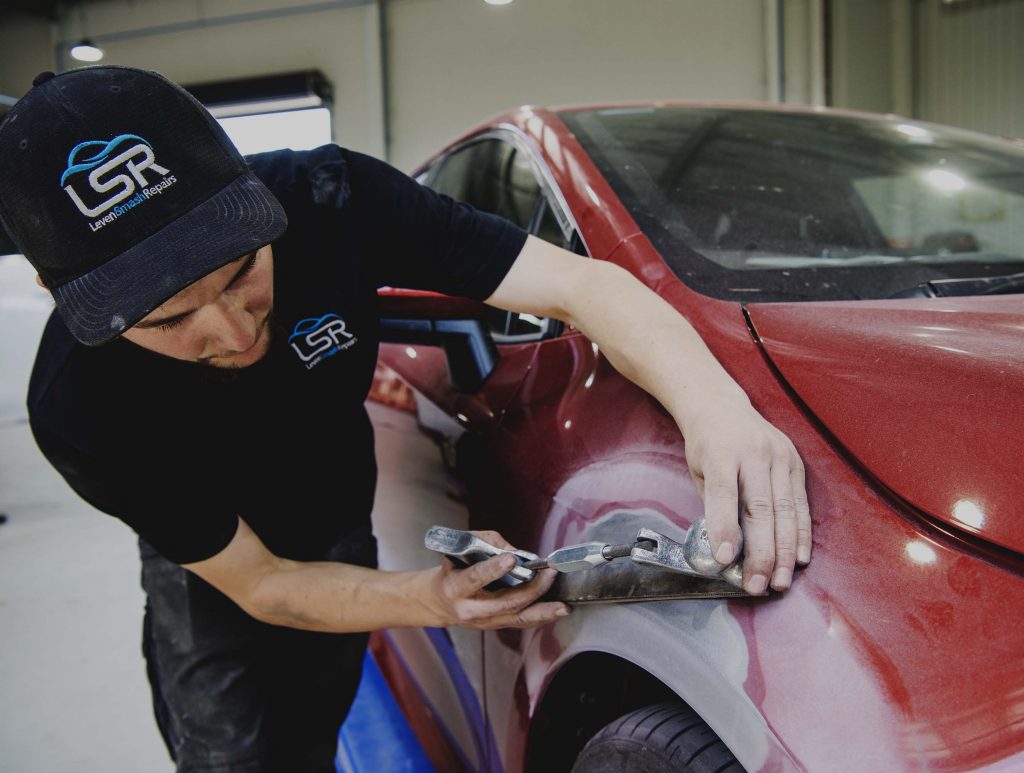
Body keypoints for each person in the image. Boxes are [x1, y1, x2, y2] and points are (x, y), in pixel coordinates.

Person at [0, 66, 812, 772]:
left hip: (333, 506)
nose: (234, 331)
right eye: (168, 319)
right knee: (227, 751)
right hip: (218, 556)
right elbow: (266, 586)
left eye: (240, 270)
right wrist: (432, 596)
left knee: (315, 726)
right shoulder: (79, 404)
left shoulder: (334, 199)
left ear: (249, 193)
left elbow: (581, 287)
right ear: (64, 295)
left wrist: (715, 409)